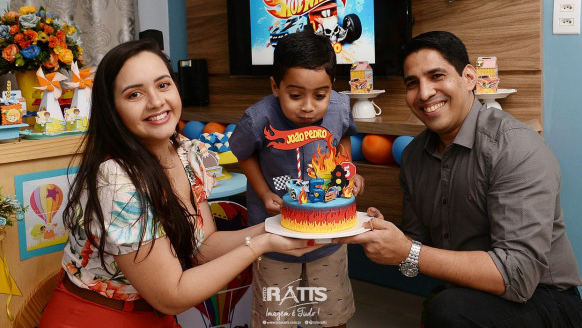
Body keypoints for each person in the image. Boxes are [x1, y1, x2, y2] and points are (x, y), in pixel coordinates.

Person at [39, 40, 319, 328]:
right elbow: (171, 296)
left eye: (163, 85)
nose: (156, 101)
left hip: (154, 316)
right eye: (135, 94)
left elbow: (203, 247)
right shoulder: (116, 180)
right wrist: (262, 244)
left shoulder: (187, 152)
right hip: (97, 317)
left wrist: (279, 225)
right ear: (112, 110)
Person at [336, 31, 582, 327]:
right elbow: (417, 250)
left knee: (448, 309)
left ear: (469, 78)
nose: (424, 93)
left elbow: (518, 277)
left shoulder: (515, 146)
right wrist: (385, 236)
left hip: (544, 299)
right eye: (412, 83)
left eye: (437, 76)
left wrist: (407, 251)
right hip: (467, 295)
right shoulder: (414, 156)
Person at [229, 31, 364, 328]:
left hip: (328, 238)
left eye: (320, 95)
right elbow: (242, 153)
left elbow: (344, 137)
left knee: (332, 314)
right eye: (295, 95)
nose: (308, 106)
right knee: (276, 317)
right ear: (275, 86)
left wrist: (346, 169)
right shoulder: (258, 118)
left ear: (332, 87)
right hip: (275, 237)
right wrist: (263, 192)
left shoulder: (340, 107)